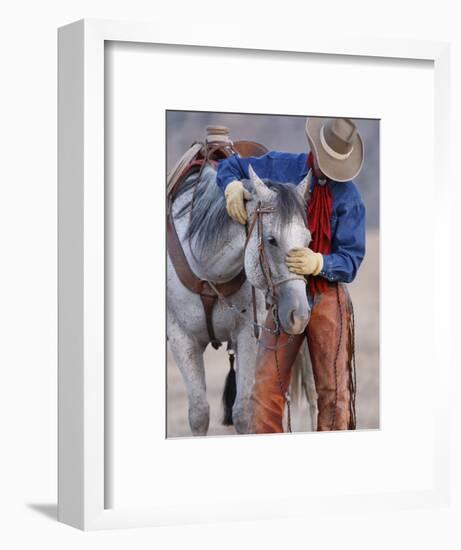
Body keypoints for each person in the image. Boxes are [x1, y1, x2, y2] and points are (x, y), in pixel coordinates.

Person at [216, 117, 366, 432]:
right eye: (326, 162)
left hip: (327, 295)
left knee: (334, 394)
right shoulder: (284, 167)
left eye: (336, 165)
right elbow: (233, 166)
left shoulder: (349, 198)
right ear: (314, 149)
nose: (329, 170)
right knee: (266, 389)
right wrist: (230, 186)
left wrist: (319, 264)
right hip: (284, 291)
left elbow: (351, 260)